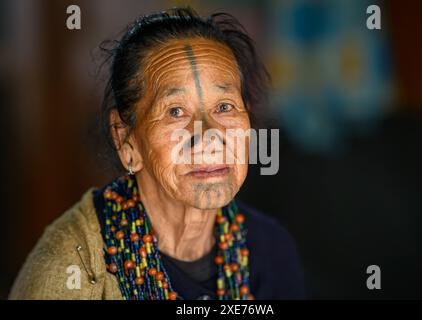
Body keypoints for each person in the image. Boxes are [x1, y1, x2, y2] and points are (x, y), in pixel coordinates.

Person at [9, 7, 305, 300]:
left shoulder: (269, 249)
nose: (210, 137)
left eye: (224, 107)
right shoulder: (73, 266)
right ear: (126, 140)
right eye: (176, 111)